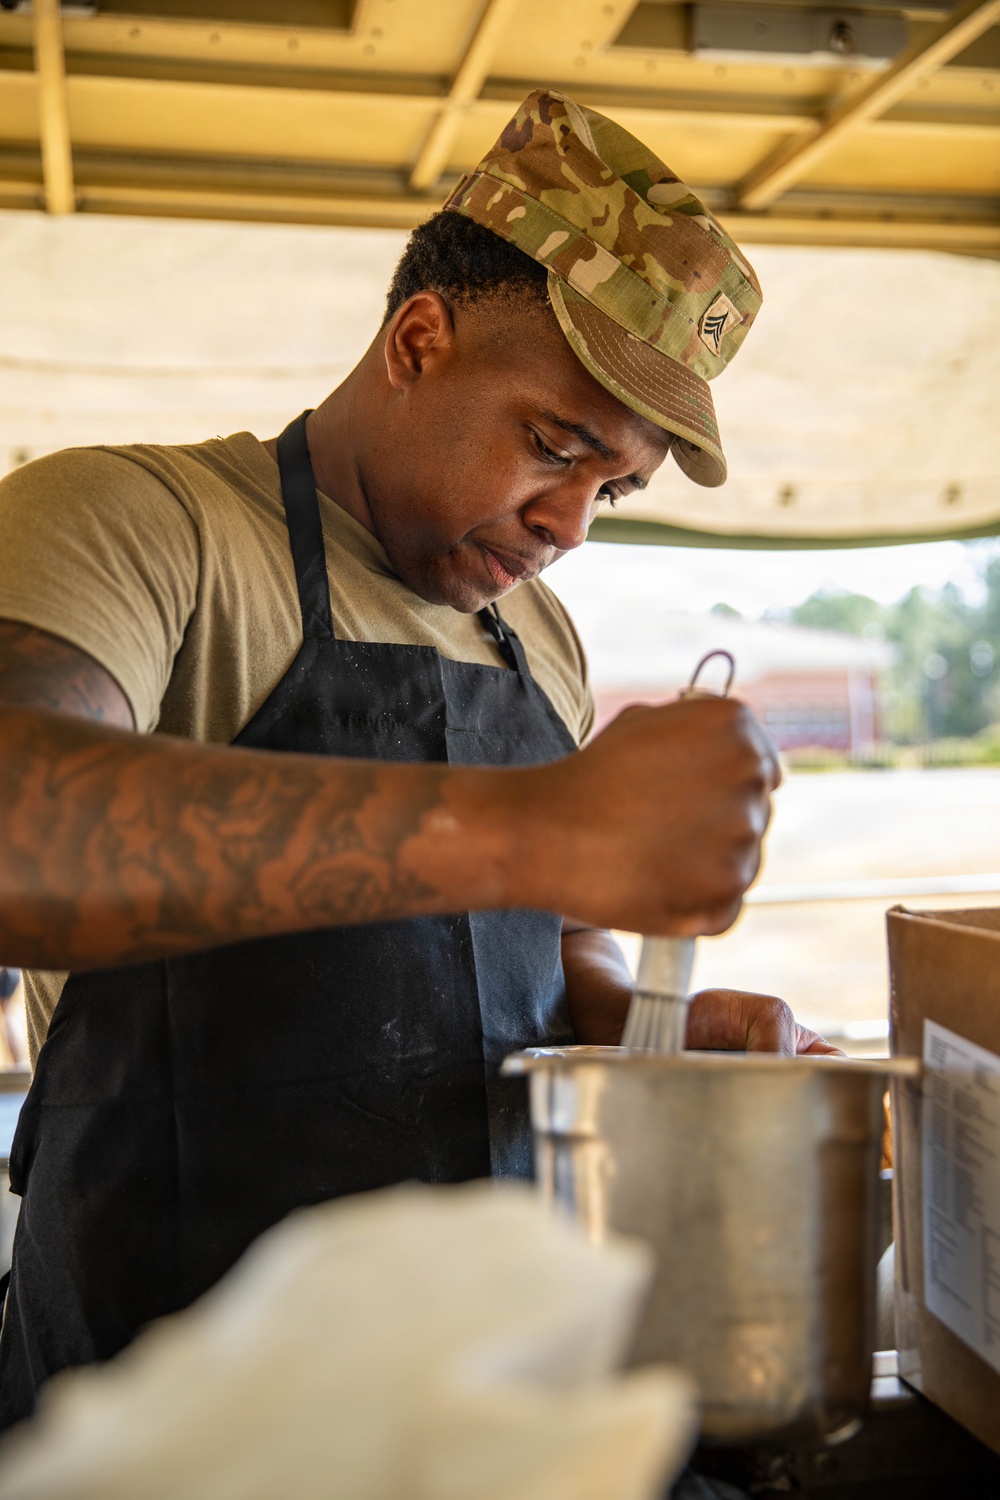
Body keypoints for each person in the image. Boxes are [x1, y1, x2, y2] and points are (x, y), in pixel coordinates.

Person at [0, 89, 808, 1427]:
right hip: (171, 1420)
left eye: (612, 488)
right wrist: (540, 827)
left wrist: (654, 1031)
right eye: (553, 446)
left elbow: (542, 963)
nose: (568, 528)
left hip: (477, 1407)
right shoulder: (146, 528)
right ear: (419, 341)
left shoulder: (537, 638)